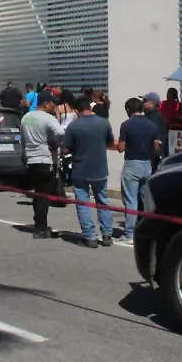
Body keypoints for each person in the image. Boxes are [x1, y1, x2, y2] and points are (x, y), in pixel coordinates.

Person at [62, 93, 116, 247]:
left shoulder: (74, 126)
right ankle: (107, 234)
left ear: (77, 110)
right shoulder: (103, 123)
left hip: (81, 169)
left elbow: (65, 149)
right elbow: (110, 142)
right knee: (103, 202)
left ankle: (90, 237)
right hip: (100, 168)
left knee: (83, 203)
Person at [21, 90, 65, 239]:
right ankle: (41, 227)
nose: (55, 106)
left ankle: (38, 222)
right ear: (46, 104)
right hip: (45, 160)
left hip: (31, 160)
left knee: (38, 192)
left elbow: (22, 139)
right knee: (43, 195)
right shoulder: (48, 118)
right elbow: (60, 132)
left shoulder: (26, 117)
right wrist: (54, 144)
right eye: (53, 103)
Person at [117, 97, 159, 243]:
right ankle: (148, 232)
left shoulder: (126, 125)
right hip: (147, 164)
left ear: (128, 110)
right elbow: (156, 147)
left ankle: (129, 234)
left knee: (130, 200)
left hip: (132, 164)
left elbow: (121, 148)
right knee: (145, 200)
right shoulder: (152, 125)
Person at [141, 92, 169, 172]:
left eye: (144, 101)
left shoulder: (155, 117)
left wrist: (156, 154)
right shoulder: (148, 116)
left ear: (153, 103)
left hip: (153, 157)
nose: (142, 103)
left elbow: (158, 139)